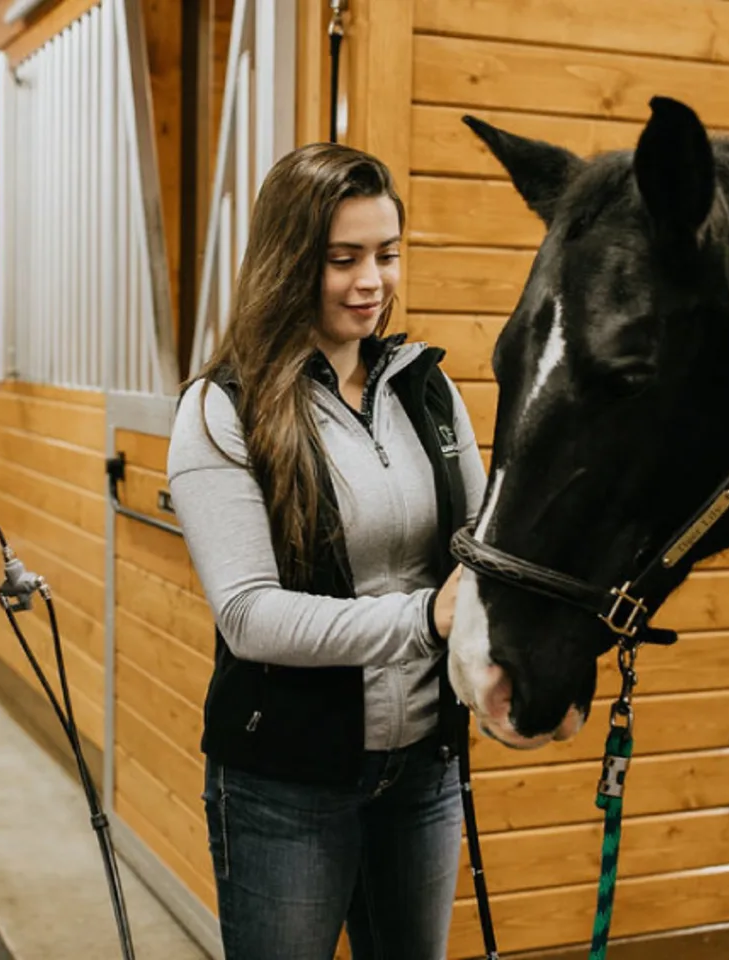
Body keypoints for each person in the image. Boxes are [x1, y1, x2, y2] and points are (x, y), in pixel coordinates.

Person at [166, 142, 488, 958]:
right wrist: (423, 618)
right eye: (342, 260)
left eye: (386, 255)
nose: (370, 282)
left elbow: (480, 547)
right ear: (290, 261)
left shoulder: (428, 387)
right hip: (285, 785)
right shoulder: (221, 407)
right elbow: (250, 617)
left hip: (423, 770)